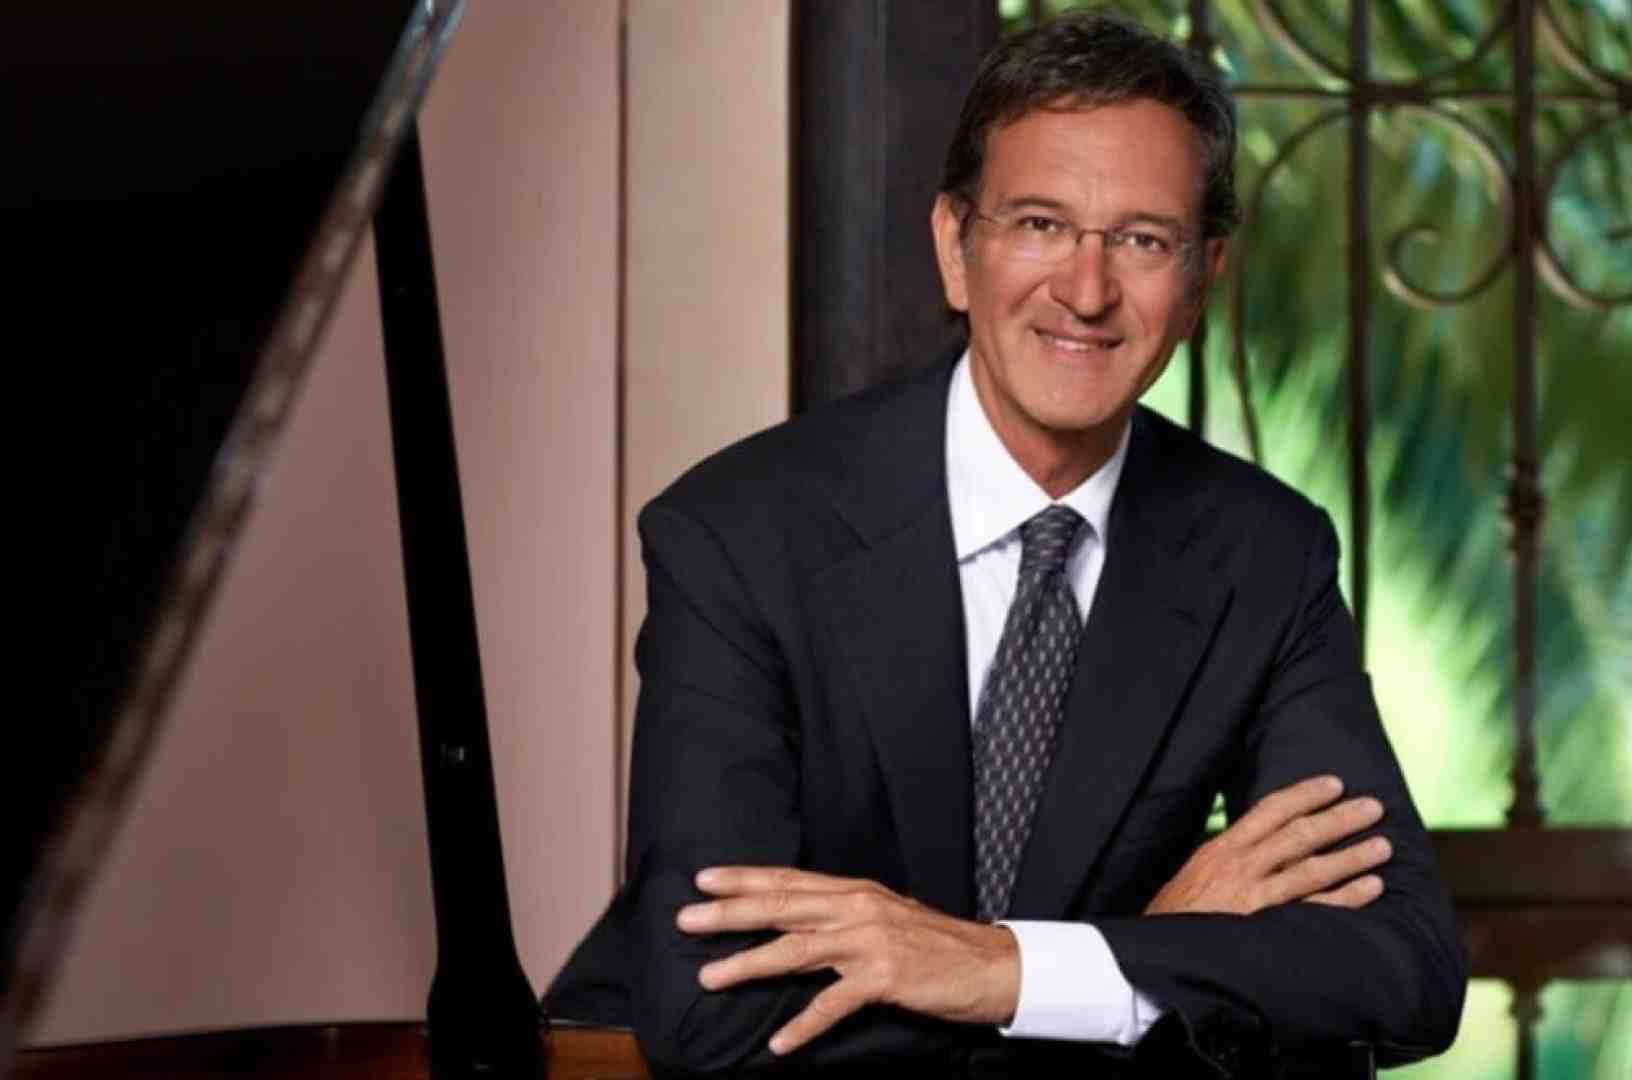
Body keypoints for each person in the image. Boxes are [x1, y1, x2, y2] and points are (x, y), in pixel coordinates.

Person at [547, 12, 1465, 1075]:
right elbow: (716, 1022)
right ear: (955, 247)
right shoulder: (741, 535)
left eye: (1143, 240)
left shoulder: (1263, 555)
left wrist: (1007, 970)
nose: (1086, 289)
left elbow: (1403, 969)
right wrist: (1140, 959)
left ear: (1201, 279)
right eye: (1040, 224)